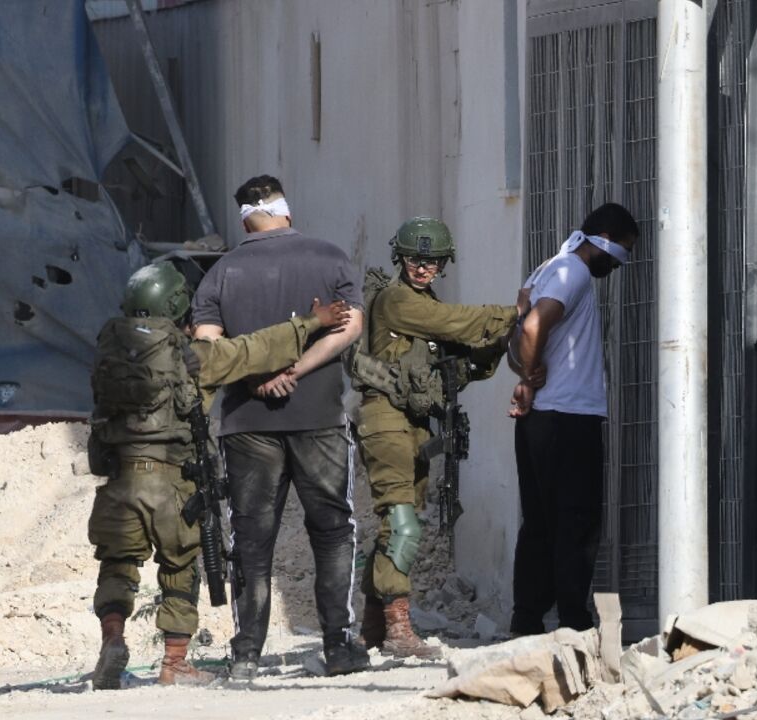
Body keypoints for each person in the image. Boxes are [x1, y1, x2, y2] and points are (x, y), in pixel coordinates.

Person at [88, 260, 351, 690]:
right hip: (171, 483)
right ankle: (174, 663)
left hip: (118, 481)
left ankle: (112, 638)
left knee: (117, 566)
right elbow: (258, 348)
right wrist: (312, 321)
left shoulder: (108, 353)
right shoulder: (191, 358)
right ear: (176, 305)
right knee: (180, 568)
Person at [191, 175, 369, 679]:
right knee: (333, 531)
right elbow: (351, 326)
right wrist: (296, 370)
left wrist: (260, 376)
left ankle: (246, 654)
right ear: (285, 210)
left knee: (251, 538)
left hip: (246, 422)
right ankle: (338, 645)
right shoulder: (330, 257)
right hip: (319, 418)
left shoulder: (220, 273)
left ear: (245, 217)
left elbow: (207, 349)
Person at [353, 217, 522, 657]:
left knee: (398, 525)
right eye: (414, 258)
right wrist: (514, 314)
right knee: (402, 524)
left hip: (413, 422)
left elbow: (463, 361)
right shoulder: (397, 300)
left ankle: (374, 628)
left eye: (432, 261)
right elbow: (456, 323)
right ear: (399, 258)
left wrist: (498, 342)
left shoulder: (424, 305)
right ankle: (399, 632)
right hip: (385, 418)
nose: (422, 268)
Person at [506, 202, 639, 635]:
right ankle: (573, 621)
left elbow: (519, 328)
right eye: (622, 253)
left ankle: (527, 619)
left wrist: (527, 377)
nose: (620, 265)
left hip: (541, 420)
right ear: (603, 242)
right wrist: (529, 376)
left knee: (541, 522)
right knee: (576, 521)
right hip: (568, 418)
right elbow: (530, 330)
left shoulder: (547, 268)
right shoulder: (573, 271)